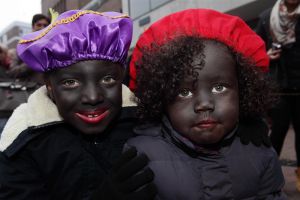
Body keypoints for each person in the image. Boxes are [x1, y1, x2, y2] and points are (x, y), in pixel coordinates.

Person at [127, 9, 286, 199]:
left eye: (219, 88)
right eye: (184, 92)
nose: (204, 104)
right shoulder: (141, 157)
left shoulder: (260, 151)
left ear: (243, 89)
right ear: (160, 99)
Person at [0, 10, 156, 200]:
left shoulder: (144, 122)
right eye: (70, 82)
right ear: (49, 87)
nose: (92, 97)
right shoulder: (24, 144)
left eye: (107, 79)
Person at [256, 0, 300, 191]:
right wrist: (265, 55)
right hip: (278, 85)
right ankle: (269, 174)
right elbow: (255, 49)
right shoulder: (266, 17)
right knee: (278, 130)